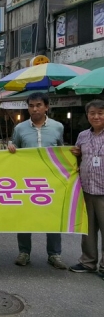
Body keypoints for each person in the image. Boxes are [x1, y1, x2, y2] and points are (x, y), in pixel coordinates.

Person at [7, 92, 66, 269]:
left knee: (54, 218)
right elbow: (14, 146)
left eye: (39, 105)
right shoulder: (20, 128)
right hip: (27, 181)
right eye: (31, 105)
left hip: (51, 181)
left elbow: (61, 151)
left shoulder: (58, 127)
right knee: (25, 217)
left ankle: (54, 254)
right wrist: (11, 147)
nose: (35, 109)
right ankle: (24, 252)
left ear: (46, 107)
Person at [69, 99, 104, 278]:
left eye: (100, 113)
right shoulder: (83, 135)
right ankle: (88, 262)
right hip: (86, 190)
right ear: (87, 115)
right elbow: (78, 157)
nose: (96, 116)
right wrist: (77, 154)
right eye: (92, 113)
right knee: (88, 230)